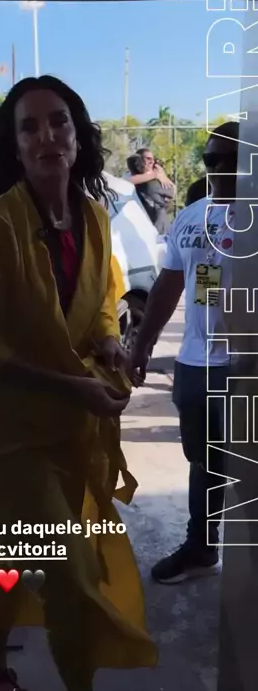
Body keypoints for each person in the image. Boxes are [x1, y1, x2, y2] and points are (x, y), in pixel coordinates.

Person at [0, 76, 157, 691]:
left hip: (66, 429)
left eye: (59, 121)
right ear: (14, 147)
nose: (47, 136)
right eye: (30, 126)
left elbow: (102, 302)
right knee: (70, 568)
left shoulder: (93, 217)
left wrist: (108, 343)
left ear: (78, 135)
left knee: (25, 554)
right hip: (4, 433)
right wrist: (76, 388)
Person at [129, 121, 240, 584]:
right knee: (203, 461)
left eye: (231, 160)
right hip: (196, 363)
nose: (219, 169)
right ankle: (200, 547)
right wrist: (143, 343)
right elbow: (169, 285)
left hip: (245, 367)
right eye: (211, 160)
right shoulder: (192, 217)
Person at [126, 153, 173, 235]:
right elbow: (172, 190)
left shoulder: (130, 183)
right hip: (158, 226)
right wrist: (161, 174)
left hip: (140, 227)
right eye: (147, 159)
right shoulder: (153, 184)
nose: (151, 162)